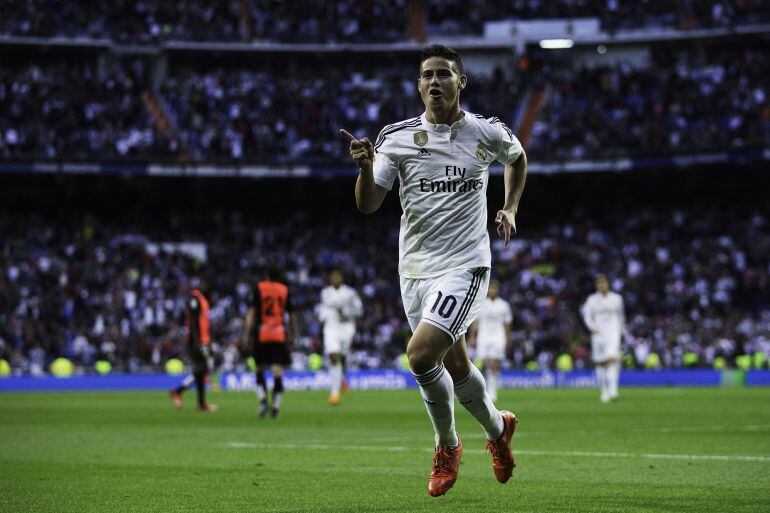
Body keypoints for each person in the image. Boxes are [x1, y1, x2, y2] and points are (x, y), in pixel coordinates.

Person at [340, 44, 528, 497]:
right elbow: (368, 205)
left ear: (461, 82)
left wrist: (509, 207)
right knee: (457, 364)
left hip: (465, 265)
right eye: (427, 75)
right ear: (418, 85)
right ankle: (499, 429)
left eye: (444, 74)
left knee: (421, 355)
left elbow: (516, 157)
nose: (434, 82)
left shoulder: (485, 131)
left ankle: (448, 445)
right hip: (414, 271)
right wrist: (365, 169)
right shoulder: (398, 137)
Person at [244, 265, 297, 418]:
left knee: (259, 368)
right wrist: (293, 334)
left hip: (262, 333)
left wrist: (246, 335)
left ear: (266, 275)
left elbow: (252, 313)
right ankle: (275, 407)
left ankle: (262, 401)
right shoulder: (284, 290)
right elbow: (292, 315)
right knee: (278, 371)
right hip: (279, 334)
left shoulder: (259, 288)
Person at [170, 285, 218, 412]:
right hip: (196, 342)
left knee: (201, 371)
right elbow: (193, 323)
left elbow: (203, 325)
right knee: (202, 369)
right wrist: (197, 343)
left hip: (201, 342)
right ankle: (184, 395)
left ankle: (186, 395)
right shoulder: (195, 300)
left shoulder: (201, 301)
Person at [318, 269, 363, 405]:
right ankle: (334, 393)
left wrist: (346, 312)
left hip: (346, 328)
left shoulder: (350, 293)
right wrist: (321, 317)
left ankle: (341, 377)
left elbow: (359, 311)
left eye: (338, 277)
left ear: (342, 278)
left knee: (342, 358)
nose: (335, 279)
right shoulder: (325, 293)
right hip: (331, 327)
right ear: (331, 279)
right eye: (333, 277)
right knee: (333, 355)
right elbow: (324, 308)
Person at [581, 274, 625, 402]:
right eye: (599, 284)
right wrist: (591, 327)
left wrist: (621, 332)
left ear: (608, 284)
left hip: (613, 333)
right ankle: (604, 391)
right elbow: (586, 315)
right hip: (598, 334)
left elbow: (621, 316)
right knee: (601, 364)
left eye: (603, 283)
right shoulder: (592, 299)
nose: (601, 286)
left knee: (613, 360)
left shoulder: (617, 299)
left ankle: (613, 390)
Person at [468, 280, 512, 401]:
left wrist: (508, 338)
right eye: (491, 289)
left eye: (495, 289)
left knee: (495, 362)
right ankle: (487, 386)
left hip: (498, 336)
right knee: (483, 362)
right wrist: (472, 336)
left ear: (498, 290)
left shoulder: (504, 305)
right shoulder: (481, 304)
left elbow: (507, 324)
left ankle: (492, 389)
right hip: (484, 336)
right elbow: (476, 322)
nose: (492, 291)